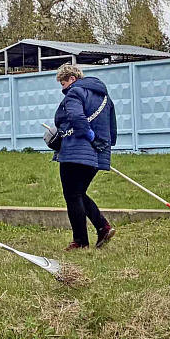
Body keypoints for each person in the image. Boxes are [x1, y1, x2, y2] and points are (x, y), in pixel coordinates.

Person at [52, 63, 117, 251]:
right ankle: (103, 228)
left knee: (72, 195)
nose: (63, 88)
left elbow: (76, 117)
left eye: (63, 83)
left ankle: (80, 241)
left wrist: (89, 136)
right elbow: (112, 126)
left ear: (72, 79)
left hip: (75, 151)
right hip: (98, 152)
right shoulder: (104, 97)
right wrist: (104, 145)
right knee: (79, 194)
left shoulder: (75, 92)